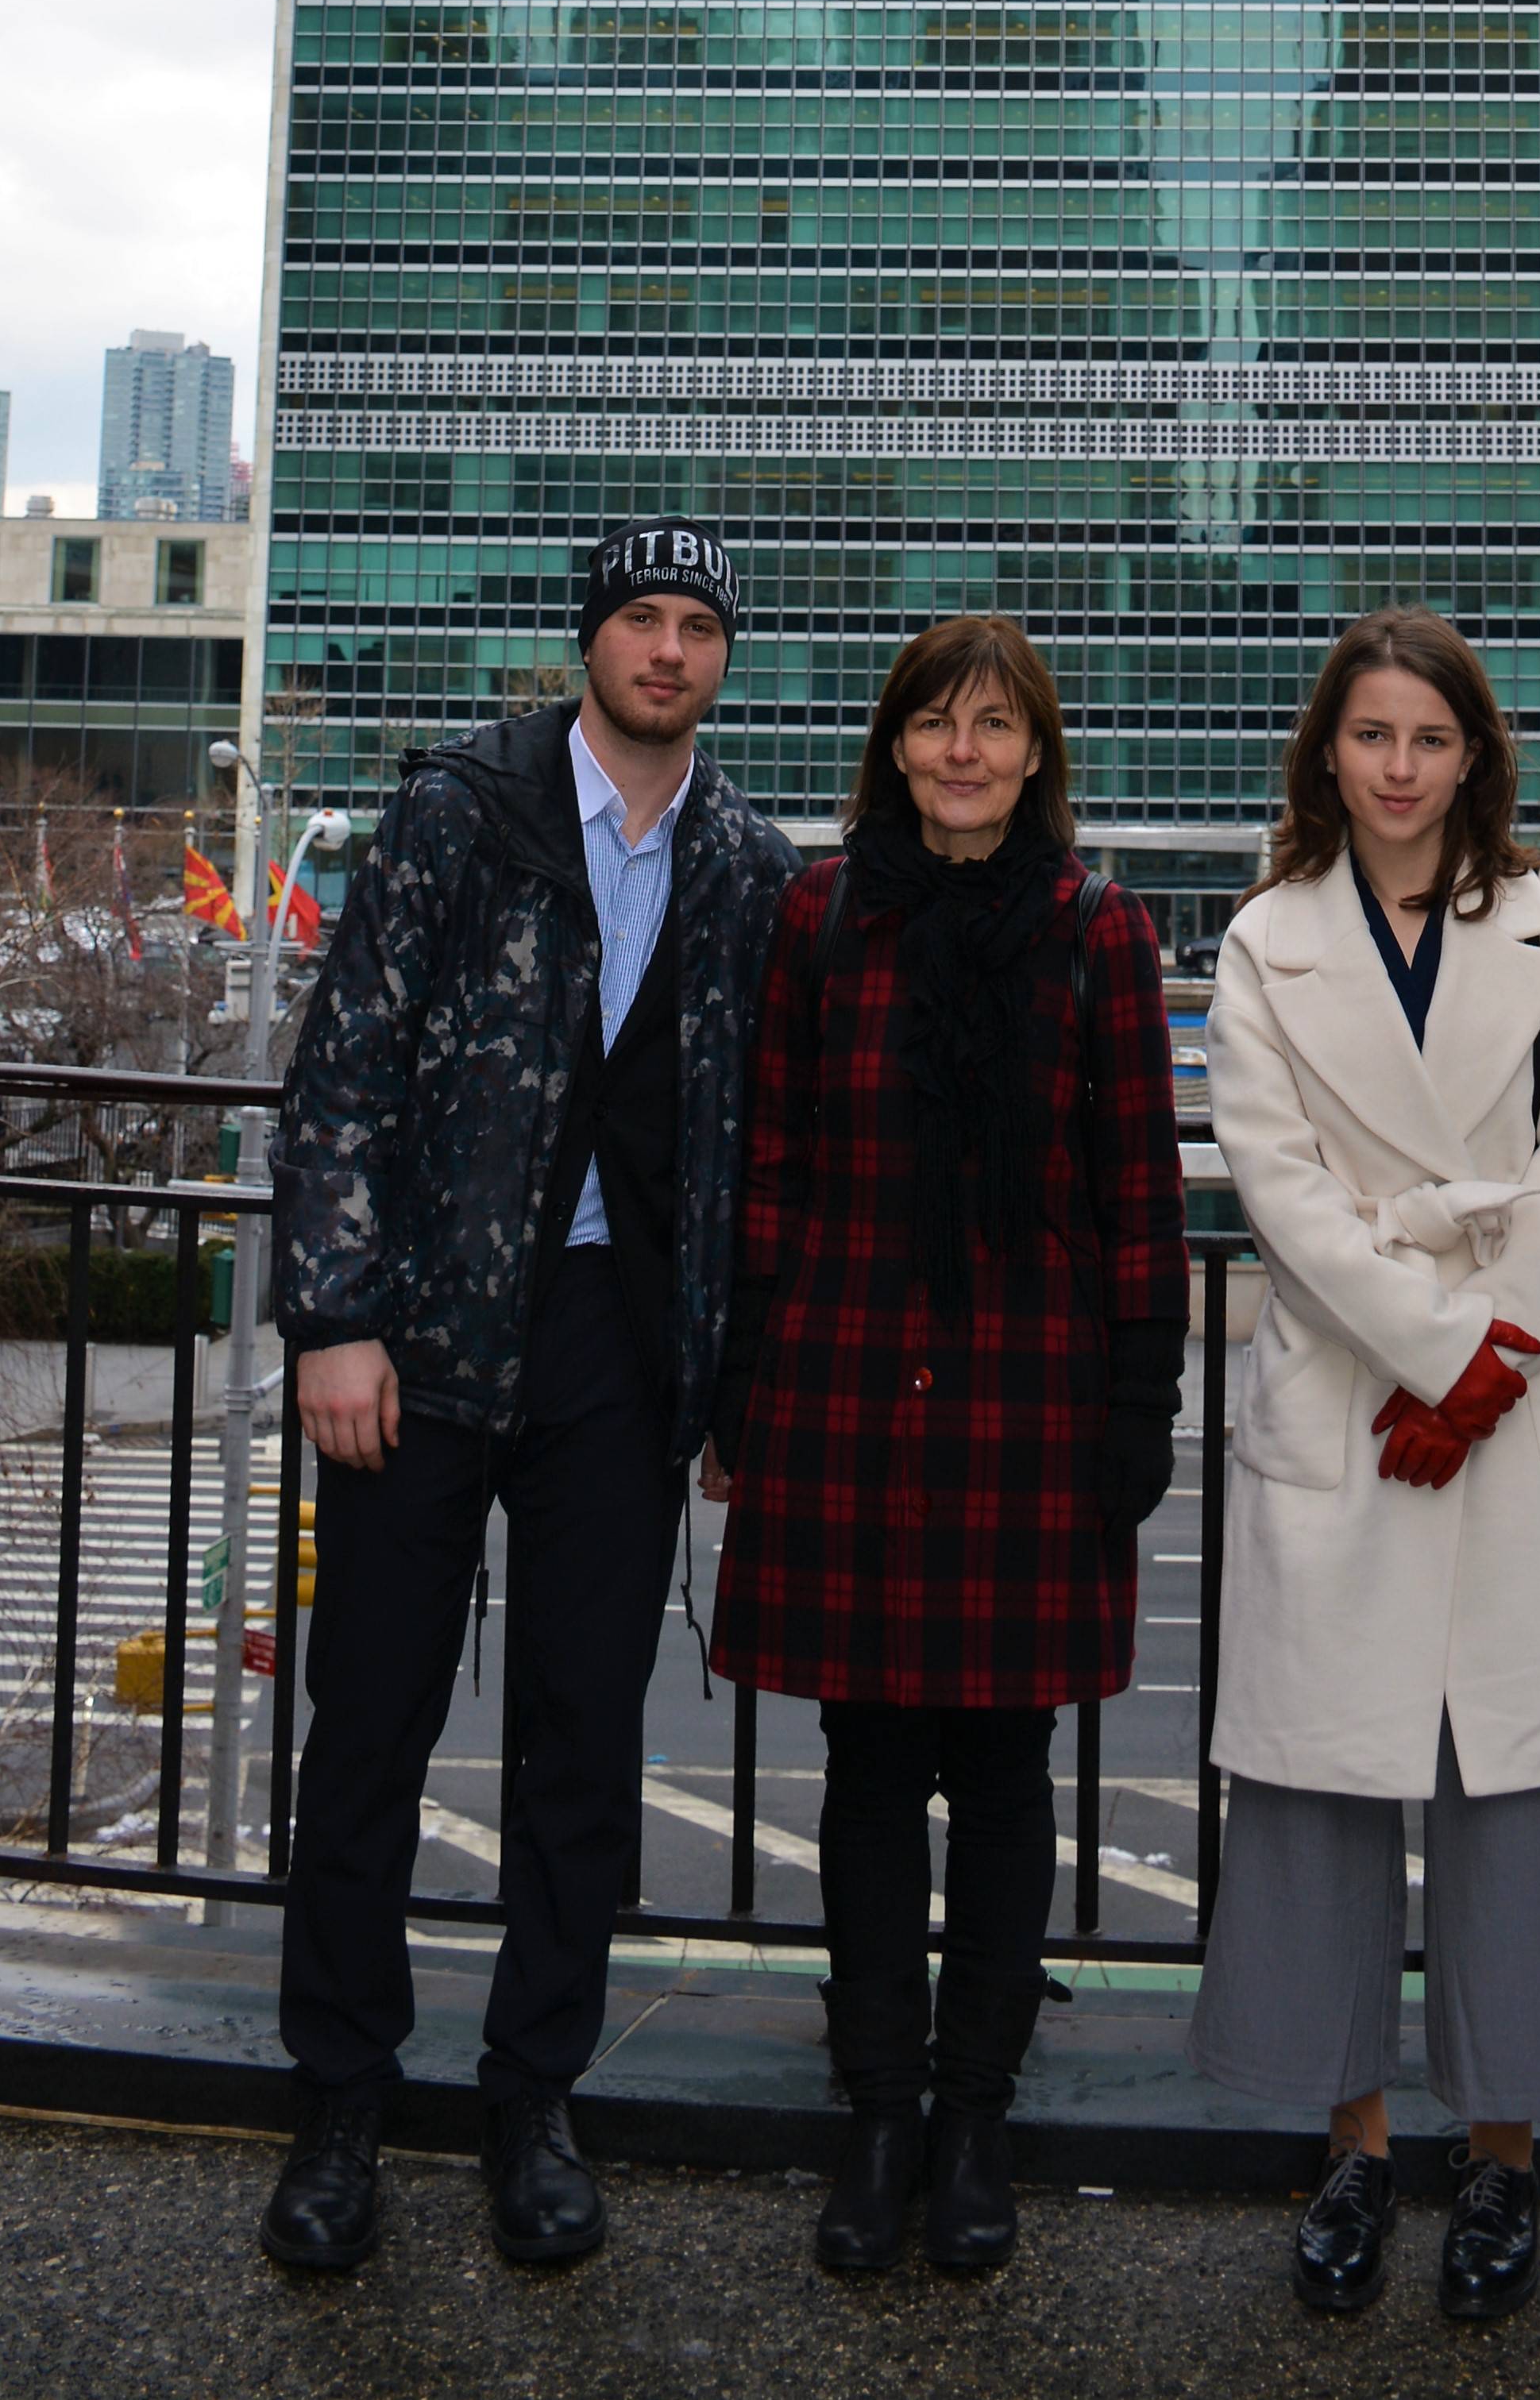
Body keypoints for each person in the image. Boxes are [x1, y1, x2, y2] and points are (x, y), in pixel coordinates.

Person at [259, 523, 793, 2275]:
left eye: (696, 624)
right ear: (590, 642)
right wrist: (334, 1317)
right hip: (421, 1334)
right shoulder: (464, 810)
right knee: (370, 1725)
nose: (667, 648)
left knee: (583, 1744)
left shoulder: (746, 862)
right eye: (640, 618)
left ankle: (532, 2096)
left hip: (619, 1354)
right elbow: (344, 1066)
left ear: (722, 657)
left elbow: (754, 1143)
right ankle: (341, 2098)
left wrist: (725, 1382)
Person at [708, 615, 1187, 2280]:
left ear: (1036, 751)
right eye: (933, 723)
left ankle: (973, 2110)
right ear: (895, 747)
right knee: (862, 1772)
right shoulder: (820, 913)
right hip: (845, 1367)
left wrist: (1141, 1400)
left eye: (993, 725)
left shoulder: (1096, 927)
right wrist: (741, 1381)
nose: (962, 752)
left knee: (999, 1775)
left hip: (1029, 1388)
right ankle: (878, 2110)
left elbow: (1140, 1185)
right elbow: (772, 1159)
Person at [1190, 612, 1540, 2326]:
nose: (1398, 767)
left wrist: (1493, 1357)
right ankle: (1355, 2149)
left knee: (1512, 1788)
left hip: (1501, 1391)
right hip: (1355, 1389)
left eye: (1429, 739)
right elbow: (1277, 1182)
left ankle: (1504, 2160)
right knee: (1320, 1791)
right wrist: (1446, 1356)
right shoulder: (1265, 937)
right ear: (1329, 749)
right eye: (1371, 735)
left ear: (1473, 757)